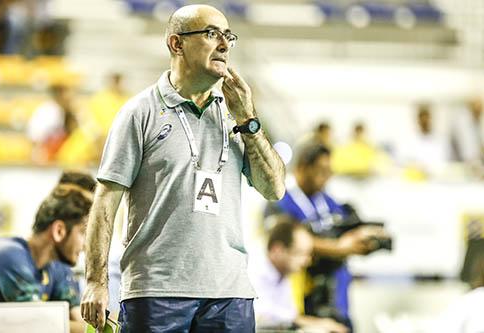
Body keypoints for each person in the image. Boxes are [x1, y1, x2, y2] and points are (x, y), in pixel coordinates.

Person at [80, 4, 285, 333]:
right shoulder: (139, 112)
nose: (224, 44)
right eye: (211, 34)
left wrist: (249, 121)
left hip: (229, 294)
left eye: (228, 36)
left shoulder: (238, 116)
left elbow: (274, 188)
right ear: (177, 44)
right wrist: (96, 281)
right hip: (156, 293)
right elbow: (106, 200)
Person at [265, 144, 385, 331]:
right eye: (321, 170)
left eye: (329, 171)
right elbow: (283, 241)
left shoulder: (330, 202)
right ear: (303, 167)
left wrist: (364, 236)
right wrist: (339, 249)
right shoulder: (281, 202)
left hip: (338, 299)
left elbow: (349, 232)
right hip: (305, 300)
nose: (326, 177)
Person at [0, 172, 95, 333]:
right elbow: (40, 324)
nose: (86, 246)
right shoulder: (7, 255)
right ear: (59, 230)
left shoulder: (56, 267)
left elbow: (78, 318)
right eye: (83, 233)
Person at [249, 215, 348, 333]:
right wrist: (315, 323)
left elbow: (289, 314)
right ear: (278, 249)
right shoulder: (252, 268)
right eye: (301, 254)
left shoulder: (283, 273)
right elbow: (261, 316)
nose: (308, 261)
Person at [27, 84, 79, 162]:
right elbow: (36, 137)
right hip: (46, 156)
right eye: (67, 94)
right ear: (60, 95)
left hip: (61, 157)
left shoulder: (67, 112)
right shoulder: (48, 111)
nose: (70, 98)